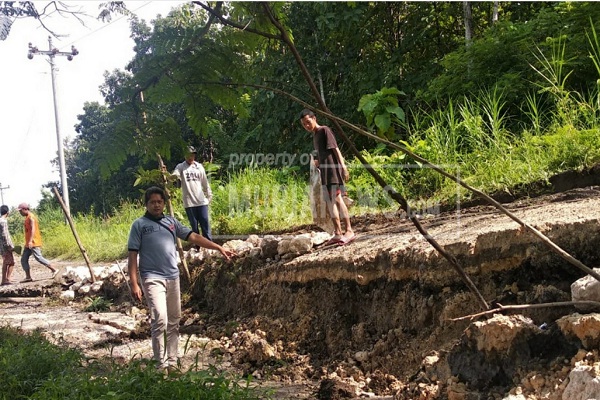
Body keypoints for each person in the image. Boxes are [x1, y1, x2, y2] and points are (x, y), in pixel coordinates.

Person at [127, 186, 235, 370]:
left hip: (172, 276)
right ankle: (160, 366)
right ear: (146, 204)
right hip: (152, 277)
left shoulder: (171, 222)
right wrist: (134, 283)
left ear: (164, 203)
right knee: (160, 318)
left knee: (174, 320)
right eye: (152, 202)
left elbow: (193, 236)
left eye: (159, 202)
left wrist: (218, 247)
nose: (156, 205)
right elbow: (132, 256)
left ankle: (172, 364)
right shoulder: (139, 225)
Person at [299, 109, 355, 245]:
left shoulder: (324, 130)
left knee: (337, 199)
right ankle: (337, 233)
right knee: (330, 202)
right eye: (304, 124)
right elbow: (323, 154)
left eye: (308, 122)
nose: (307, 126)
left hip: (333, 171)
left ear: (314, 118)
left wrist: (343, 167)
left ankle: (349, 231)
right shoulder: (315, 136)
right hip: (324, 173)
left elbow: (335, 149)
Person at [171, 146, 214, 241]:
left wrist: (209, 196)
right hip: (189, 202)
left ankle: (209, 246)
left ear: (194, 155)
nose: (190, 157)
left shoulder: (199, 167)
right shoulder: (181, 167)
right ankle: (198, 247)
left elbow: (205, 182)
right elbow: (175, 175)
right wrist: (167, 175)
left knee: (205, 224)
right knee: (194, 227)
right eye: (188, 155)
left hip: (201, 201)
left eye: (192, 155)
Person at [17, 202, 57, 282]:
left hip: (33, 242)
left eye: (20, 211)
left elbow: (33, 229)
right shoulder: (27, 217)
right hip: (29, 243)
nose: (20, 212)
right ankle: (28, 277)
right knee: (24, 259)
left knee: (38, 257)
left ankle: (54, 269)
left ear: (25, 209)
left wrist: (31, 241)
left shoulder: (31, 217)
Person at [0, 205, 15, 285]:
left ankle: (6, 279)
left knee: (7, 262)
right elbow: (5, 235)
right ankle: (5, 280)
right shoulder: (3, 221)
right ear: (7, 212)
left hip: (1, 246)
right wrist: (9, 246)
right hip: (6, 246)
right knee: (10, 262)